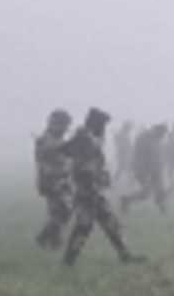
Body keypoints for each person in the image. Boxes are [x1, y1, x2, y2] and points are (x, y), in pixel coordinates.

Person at [61, 108, 143, 266]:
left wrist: (101, 177)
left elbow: (89, 160)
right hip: (87, 191)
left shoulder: (88, 137)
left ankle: (125, 255)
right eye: (102, 124)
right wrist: (91, 181)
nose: (104, 128)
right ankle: (68, 261)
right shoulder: (85, 138)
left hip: (94, 189)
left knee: (110, 222)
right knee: (84, 226)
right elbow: (79, 164)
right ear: (95, 123)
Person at [31, 108, 73, 249]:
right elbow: (44, 160)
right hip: (51, 180)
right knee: (62, 210)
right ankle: (44, 238)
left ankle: (53, 241)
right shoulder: (46, 139)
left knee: (59, 212)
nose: (66, 128)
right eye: (65, 124)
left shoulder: (56, 138)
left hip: (60, 179)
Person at [120, 123, 170, 214]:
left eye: (164, 135)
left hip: (156, 169)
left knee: (160, 190)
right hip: (143, 170)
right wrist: (143, 172)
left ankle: (162, 208)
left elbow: (158, 154)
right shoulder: (144, 138)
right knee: (146, 193)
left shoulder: (157, 140)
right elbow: (139, 156)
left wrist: (160, 166)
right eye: (162, 134)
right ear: (157, 131)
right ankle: (126, 200)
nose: (163, 136)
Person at [111, 120, 135, 184]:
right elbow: (121, 145)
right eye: (129, 128)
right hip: (123, 154)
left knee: (124, 169)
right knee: (123, 168)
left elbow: (127, 145)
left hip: (124, 154)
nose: (130, 129)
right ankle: (130, 182)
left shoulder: (124, 134)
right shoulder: (122, 134)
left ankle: (130, 182)